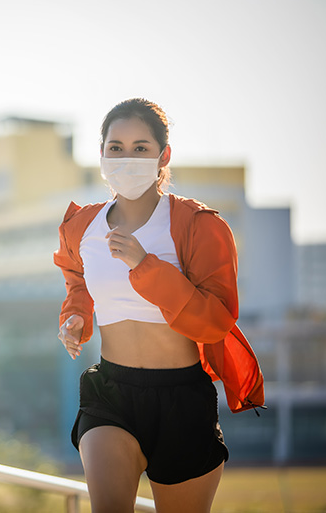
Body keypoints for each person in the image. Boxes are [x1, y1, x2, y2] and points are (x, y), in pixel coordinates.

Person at [53, 98, 264, 513]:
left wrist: (144, 266)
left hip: (181, 399)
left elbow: (215, 322)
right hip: (109, 393)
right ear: (101, 154)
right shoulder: (82, 228)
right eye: (116, 147)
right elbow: (77, 278)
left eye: (140, 148)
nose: (126, 158)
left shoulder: (199, 226)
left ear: (163, 155)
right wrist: (76, 316)